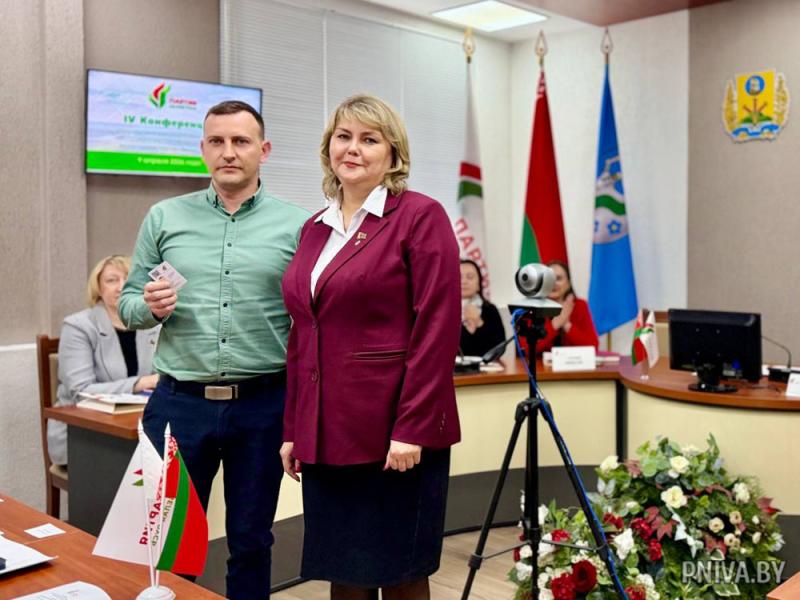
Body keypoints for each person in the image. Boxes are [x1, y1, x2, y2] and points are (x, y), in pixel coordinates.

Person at [118, 100, 308, 599]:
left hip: (263, 406)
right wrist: (149, 307)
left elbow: (313, 320)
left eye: (241, 141)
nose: (229, 152)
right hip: (179, 405)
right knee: (169, 543)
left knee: (251, 541)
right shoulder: (164, 217)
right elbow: (127, 304)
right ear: (202, 149)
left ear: (264, 150)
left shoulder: (298, 225)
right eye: (217, 142)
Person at [279, 94, 461, 600]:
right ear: (328, 148)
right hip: (326, 433)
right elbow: (302, 334)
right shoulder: (314, 229)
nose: (352, 148)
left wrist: (412, 428)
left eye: (369, 139)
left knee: (400, 574)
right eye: (343, 137)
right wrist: (293, 429)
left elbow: (437, 328)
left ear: (393, 153)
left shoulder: (420, 216)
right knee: (344, 573)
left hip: (393, 436)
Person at [48, 255, 160, 467]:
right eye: (112, 280)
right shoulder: (78, 326)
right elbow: (81, 390)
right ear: (98, 288)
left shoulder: (153, 324)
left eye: (128, 279)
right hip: (84, 435)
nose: (122, 286)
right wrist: (140, 383)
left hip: (138, 427)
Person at [536, 260, 599, 354]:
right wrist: (556, 324)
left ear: (568, 284)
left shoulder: (579, 305)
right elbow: (525, 348)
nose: (553, 283)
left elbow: (593, 347)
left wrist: (566, 324)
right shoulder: (533, 307)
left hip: (573, 362)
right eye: (549, 278)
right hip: (540, 363)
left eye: (558, 278)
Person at [459, 258, 506, 357]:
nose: (464, 281)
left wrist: (479, 322)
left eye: (470, 277)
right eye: (459, 277)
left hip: (486, 366)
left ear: (479, 284)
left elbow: (499, 348)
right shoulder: (443, 311)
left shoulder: (490, 310)